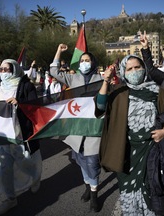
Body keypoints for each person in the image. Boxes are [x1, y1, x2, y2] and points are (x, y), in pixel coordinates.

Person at [95, 54, 164, 215]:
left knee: (151, 187)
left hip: (152, 150)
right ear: (123, 72)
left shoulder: (159, 92)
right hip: (126, 152)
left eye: (137, 67)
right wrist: (105, 81)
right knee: (128, 190)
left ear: (144, 69)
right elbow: (100, 106)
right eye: (129, 69)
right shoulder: (118, 92)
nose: (134, 71)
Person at [0, 41, 42, 215]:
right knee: (4, 166)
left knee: (24, 161)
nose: (3, 72)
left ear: (15, 69)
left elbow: (36, 106)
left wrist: (20, 103)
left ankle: (35, 176)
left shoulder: (25, 85)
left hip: (20, 132)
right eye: (2, 69)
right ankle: (10, 199)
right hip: (1, 133)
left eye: (7, 69)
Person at [50, 43, 103, 212]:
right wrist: (58, 51)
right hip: (77, 129)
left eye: (87, 60)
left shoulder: (101, 80)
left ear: (93, 63)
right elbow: (53, 72)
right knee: (80, 160)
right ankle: (88, 186)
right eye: (82, 60)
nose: (84, 63)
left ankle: (94, 195)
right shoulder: (73, 78)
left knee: (92, 162)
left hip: (94, 128)